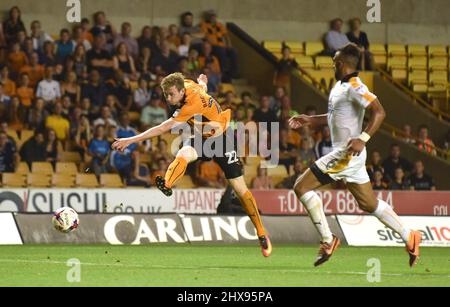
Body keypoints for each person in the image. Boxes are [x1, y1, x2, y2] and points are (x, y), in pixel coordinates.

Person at [289, 43, 421, 267]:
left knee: (301, 187)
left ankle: (328, 240)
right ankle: (410, 235)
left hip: (346, 153)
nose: (332, 63)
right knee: (368, 203)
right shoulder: (340, 87)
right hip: (351, 155)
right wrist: (311, 120)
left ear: (340, 63)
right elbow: (334, 117)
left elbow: (379, 111)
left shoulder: (355, 86)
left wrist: (363, 138)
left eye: (334, 60)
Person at [112, 72, 272, 257]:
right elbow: (200, 89)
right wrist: (202, 83)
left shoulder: (189, 105)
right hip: (202, 137)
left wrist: (130, 140)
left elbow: (163, 128)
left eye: (171, 94)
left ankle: (261, 232)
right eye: (166, 95)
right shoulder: (186, 84)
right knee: (183, 153)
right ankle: (168, 184)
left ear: (181, 91)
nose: (168, 98)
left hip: (223, 139)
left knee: (240, 189)